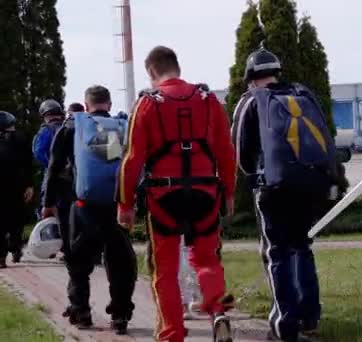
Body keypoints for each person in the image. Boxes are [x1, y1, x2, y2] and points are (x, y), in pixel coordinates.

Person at [117, 46, 236, 342]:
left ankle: (172, 334)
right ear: (177, 67)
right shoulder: (209, 100)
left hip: (164, 196)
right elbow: (226, 152)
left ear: (151, 72)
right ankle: (217, 308)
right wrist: (229, 194)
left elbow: (132, 159)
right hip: (206, 193)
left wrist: (126, 204)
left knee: (165, 271)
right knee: (207, 259)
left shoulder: (147, 103)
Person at [232, 48, 339, 341]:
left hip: (273, 187)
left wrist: (254, 177)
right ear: (277, 71)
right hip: (309, 184)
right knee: (302, 246)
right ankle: (310, 316)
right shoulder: (302, 95)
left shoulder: (251, 100)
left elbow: (241, 153)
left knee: (276, 252)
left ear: (251, 77)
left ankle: (285, 324)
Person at [42, 85, 137, 335]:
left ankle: (81, 311)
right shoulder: (121, 126)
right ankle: (120, 315)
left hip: (82, 205)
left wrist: (48, 203)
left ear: (86, 106)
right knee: (119, 262)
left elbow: (53, 166)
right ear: (108, 104)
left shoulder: (73, 126)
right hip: (116, 205)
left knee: (78, 261)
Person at [0, 111, 34, 268]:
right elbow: (28, 164)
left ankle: (1, 257)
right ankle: (15, 248)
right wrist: (29, 185)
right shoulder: (20, 139)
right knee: (16, 220)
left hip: (8, 186)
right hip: (17, 186)